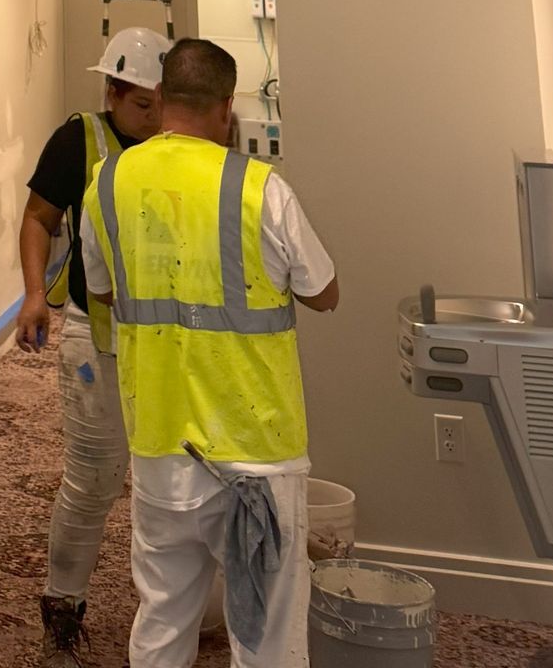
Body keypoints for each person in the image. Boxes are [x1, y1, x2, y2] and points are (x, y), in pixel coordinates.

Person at [83, 37, 339, 668]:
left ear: (163, 97)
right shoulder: (259, 188)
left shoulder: (108, 182)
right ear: (228, 107)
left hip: (160, 446)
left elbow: (102, 288)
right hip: (255, 452)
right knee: (270, 638)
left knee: (163, 616)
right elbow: (323, 293)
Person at [15, 24, 170, 654]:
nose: (154, 115)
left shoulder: (176, 147)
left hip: (167, 340)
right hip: (93, 333)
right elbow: (38, 218)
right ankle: (62, 602)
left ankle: (174, 611)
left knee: (172, 480)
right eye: (141, 103)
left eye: (161, 101)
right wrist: (33, 294)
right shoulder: (79, 139)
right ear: (112, 91)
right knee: (96, 476)